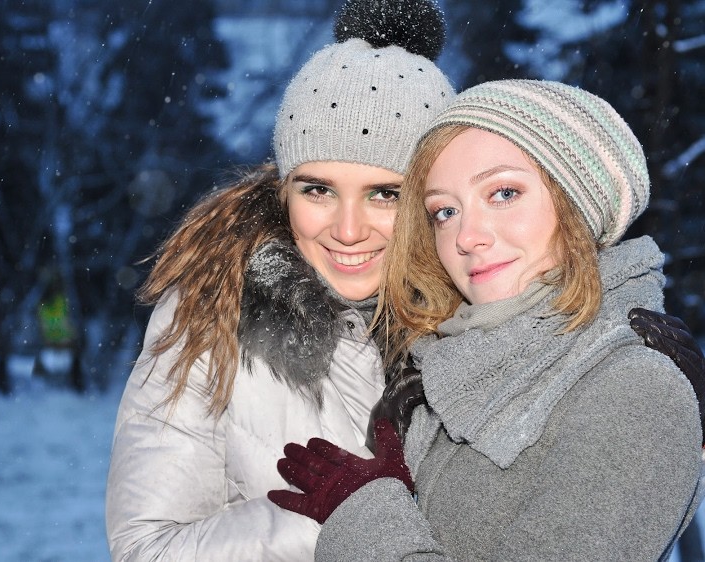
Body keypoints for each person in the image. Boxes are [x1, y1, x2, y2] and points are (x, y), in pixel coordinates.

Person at [268, 79, 705, 561]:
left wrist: (366, 515)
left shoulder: (633, 388)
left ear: (581, 201)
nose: (466, 236)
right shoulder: (453, 370)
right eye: (445, 211)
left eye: (503, 193)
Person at [104, 0, 456, 560]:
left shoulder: (484, 321)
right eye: (318, 189)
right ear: (284, 191)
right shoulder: (212, 316)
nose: (347, 230)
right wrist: (346, 514)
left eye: (384, 194)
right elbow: (148, 547)